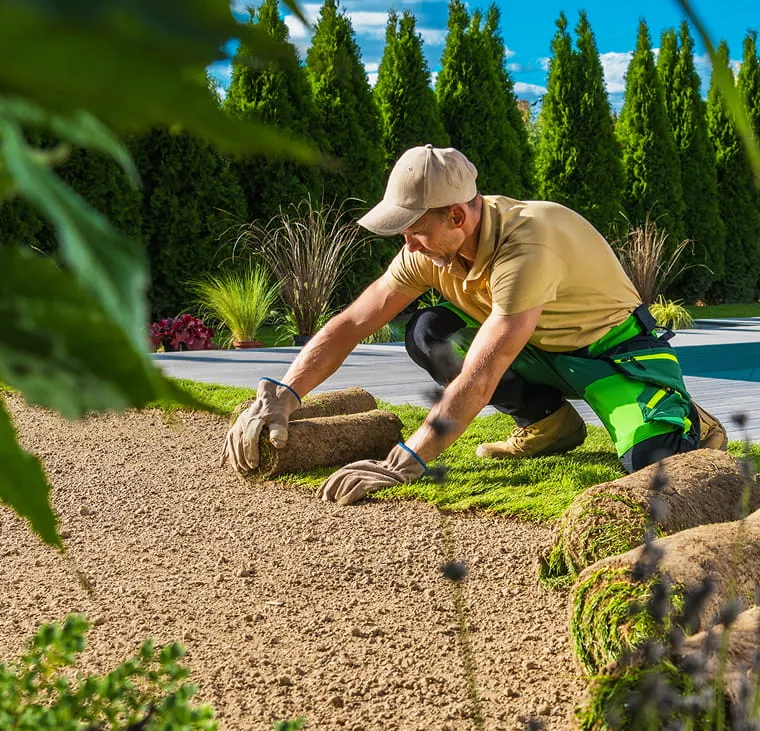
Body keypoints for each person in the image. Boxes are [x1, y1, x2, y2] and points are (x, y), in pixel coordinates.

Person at [221, 145, 727, 504]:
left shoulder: (529, 245)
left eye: (415, 232)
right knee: (427, 333)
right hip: (535, 349)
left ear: (458, 217)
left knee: (655, 467)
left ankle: (689, 420)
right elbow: (354, 320)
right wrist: (282, 393)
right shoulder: (429, 249)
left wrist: (402, 462)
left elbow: (481, 375)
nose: (408, 245)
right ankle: (549, 425)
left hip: (607, 355)